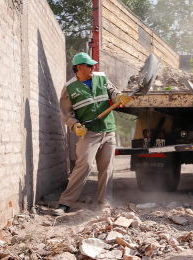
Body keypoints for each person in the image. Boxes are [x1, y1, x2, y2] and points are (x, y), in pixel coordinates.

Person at [53, 52, 131, 216]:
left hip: (108, 130)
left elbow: (113, 92)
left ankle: (104, 204)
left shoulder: (101, 77)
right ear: (79, 67)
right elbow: (66, 113)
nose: (93, 68)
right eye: (89, 65)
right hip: (89, 133)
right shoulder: (69, 88)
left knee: (107, 168)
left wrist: (119, 97)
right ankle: (65, 203)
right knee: (85, 165)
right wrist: (75, 126)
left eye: (93, 65)